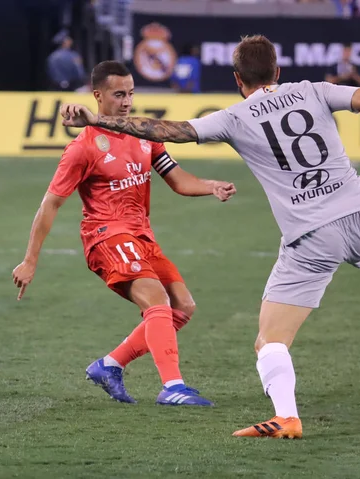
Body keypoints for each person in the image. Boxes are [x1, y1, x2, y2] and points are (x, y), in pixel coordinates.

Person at [59, 36, 360, 438]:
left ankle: (287, 417)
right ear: (278, 70)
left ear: (238, 80)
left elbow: (170, 130)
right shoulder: (314, 91)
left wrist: (97, 119)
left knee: (270, 341)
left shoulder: (235, 117)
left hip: (311, 238)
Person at [12, 61, 236, 406]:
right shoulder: (83, 148)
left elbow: (176, 179)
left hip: (141, 236)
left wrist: (211, 186)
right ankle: (173, 387)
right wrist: (29, 261)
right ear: (98, 95)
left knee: (183, 306)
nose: (127, 101)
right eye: (119, 94)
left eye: (131, 93)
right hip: (106, 237)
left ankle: (110, 365)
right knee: (157, 300)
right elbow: (50, 205)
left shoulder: (142, 135)